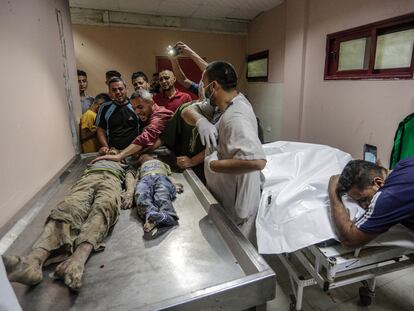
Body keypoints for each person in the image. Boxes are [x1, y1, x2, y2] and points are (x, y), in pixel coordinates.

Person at [2, 149, 137, 290]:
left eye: (114, 152)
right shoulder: (96, 162)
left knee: (105, 206)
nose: (111, 152)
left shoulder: (124, 166)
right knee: (68, 207)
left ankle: (79, 258)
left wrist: (129, 192)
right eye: (110, 151)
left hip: (112, 180)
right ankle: (33, 262)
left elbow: (130, 178)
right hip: (88, 180)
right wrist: (101, 156)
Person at [181, 61, 266, 244]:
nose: (202, 88)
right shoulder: (223, 104)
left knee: (237, 255)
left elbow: (257, 162)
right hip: (225, 196)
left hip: (237, 205)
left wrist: (212, 164)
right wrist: (200, 121)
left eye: (204, 84)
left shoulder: (235, 117)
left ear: (214, 86)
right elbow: (187, 111)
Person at [328, 158, 414, 247]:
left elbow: (349, 240)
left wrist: (333, 192)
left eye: (363, 199)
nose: (364, 205)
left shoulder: (388, 197)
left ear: (378, 182)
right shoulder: (406, 163)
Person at [93, 89, 173, 163]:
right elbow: (158, 139)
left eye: (140, 107)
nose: (137, 112)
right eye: (134, 108)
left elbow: (146, 137)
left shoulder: (160, 115)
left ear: (151, 103)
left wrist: (120, 156)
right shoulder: (148, 115)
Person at [135, 154, 183, 236]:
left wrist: (176, 184)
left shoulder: (162, 163)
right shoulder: (140, 168)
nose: (143, 158)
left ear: (153, 157)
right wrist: (130, 191)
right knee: (140, 193)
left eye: (145, 156)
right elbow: (136, 179)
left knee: (162, 194)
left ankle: (168, 215)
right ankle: (150, 215)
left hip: (161, 177)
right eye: (141, 158)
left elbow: (169, 175)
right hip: (145, 179)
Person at [96, 77, 140, 154]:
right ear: (109, 93)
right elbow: (100, 129)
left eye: (120, 89)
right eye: (114, 90)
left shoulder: (136, 105)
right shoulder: (104, 107)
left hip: (134, 151)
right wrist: (106, 147)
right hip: (113, 151)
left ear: (126, 89)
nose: (118, 92)